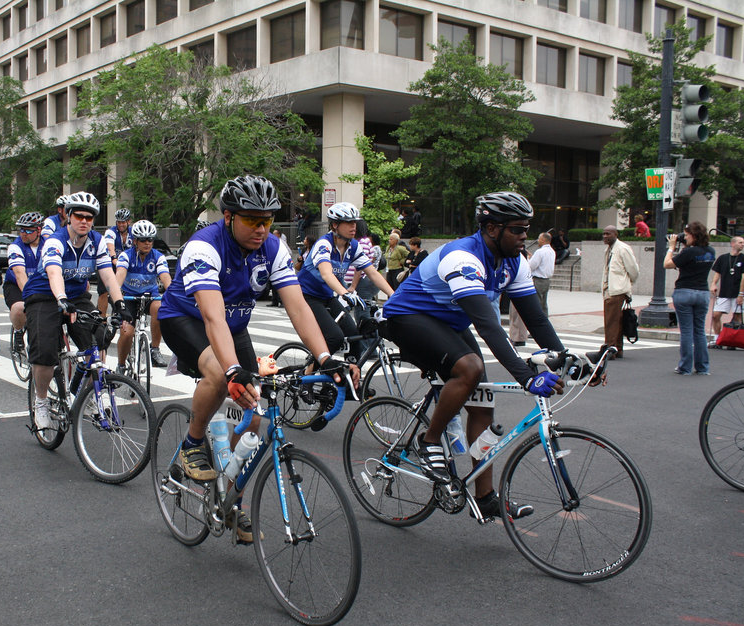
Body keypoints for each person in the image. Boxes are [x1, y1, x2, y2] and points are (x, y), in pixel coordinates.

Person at [158, 175, 353, 544]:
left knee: (253, 415)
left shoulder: (274, 248)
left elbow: (297, 304)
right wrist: (233, 371)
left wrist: (325, 357)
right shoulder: (204, 246)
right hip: (187, 318)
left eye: (268, 220)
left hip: (233, 324)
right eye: (252, 220)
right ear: (229, 216)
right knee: (220, 375)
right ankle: (192, 444)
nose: (262, 228)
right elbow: (212, 316)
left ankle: (231, 502)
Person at [381, 191, 569, 519]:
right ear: (492, 228)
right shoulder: (463, 258)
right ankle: (430, 440)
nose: (524, 236)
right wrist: (527, 376)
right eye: (517, 229)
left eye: (527, 228)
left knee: (483, 403)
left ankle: (484, 497)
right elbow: (489, 327)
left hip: (447, 322)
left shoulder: (515, 262)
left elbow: (536, 318)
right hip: (405, 318)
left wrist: (567, 359)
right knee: (470, 368)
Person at [25, 192, 131, 431]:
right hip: (44, 295)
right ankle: (41, 402)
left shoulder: (97, 241)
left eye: (90, 217)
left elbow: (107, 275)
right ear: (69, 216)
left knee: (99, 337)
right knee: (44, 351)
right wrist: (61, 299)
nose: (84, 221)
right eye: (79, 216)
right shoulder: (55, 241)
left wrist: (120, 304)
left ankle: (88, 391)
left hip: (75, 296)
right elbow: (53, 272)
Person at [298, 202, 394, 362]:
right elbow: (327, 274)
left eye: (354, 222)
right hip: (307, 296)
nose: (353, 226)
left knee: (355, 335)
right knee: (334, 337)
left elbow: (372, 273)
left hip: (327, 296)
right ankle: (309, 371)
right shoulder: (324, 244)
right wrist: (345, 293)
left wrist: (394, 295)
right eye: (349, 222)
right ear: (335, 225)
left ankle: (351, 380)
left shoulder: (353, 246)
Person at [115, 219, 172, 370]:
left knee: (160, 308)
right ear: (135, 241)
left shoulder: (158, 257)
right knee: (127, 332)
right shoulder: (125, 256)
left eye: (150, 239)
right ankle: (121, 364)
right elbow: (120, 275)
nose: (147, 243)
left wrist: (172, 293)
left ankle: (155, 349)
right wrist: (115, 293)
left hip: (149, 296)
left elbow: (165, 276)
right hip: (129, 297)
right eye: (143, 240)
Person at [665, 221, 715, 375]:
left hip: (684, 291)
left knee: (686, 331)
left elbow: (667, 264)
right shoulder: (710, 251)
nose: (684, 238)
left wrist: (672, 247)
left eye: (686, 235)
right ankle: (702, 367)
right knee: (699, 331)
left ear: (693, 235)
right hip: (702, 292)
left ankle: (685, 367)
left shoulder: (688, 253)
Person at [4, 211, 46, 355]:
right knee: (19, 308)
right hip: (16, 285)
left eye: (28, 230)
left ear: (39, 230)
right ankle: (18, 330)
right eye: (21, 230)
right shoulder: (16, 247)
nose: (23, 233)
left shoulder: (48, 244)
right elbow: (20, 274)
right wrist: (30, 296)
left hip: (40, 285)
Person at [600, 224, 640, 359]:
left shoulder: (623, 249)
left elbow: (633, 270)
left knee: (611, 322)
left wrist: (626, 285)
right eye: (604, 234)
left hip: (617, 290)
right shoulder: (609, 250)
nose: (605, 236)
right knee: (615, 321)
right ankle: (617, 348)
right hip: (610, 290)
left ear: (615, 234)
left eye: (608, 234)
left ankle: (610, 349)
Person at [708, 236, 744, 348]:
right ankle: (717, 339)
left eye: (743, 243)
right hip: (724, 292)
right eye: (740, 242)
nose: (743, 245)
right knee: (716, 315)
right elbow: (717, 273)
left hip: (738, 292)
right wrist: (713, 284)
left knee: (737, 316)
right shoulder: (723, 258)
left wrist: (741, 294)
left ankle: (733, 341)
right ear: (733, 244)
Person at [99, 208, 132, 315]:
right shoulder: (111, 232)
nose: (121, 224)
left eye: (123, 222)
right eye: (118, 222)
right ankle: (102, 319)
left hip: (125, 266)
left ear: (128, 222)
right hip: (109, 264)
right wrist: (114, 258)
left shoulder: (133, 232)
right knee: (103, 292)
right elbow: (110, 247)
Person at [508, 245, 531, 347]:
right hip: (518, 284)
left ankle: (518, 337)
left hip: (519, 285)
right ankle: (516, 336)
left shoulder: (519, 257)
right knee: (514, 313)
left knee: (517, 313)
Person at [528, 232, 555, 316]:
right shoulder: (552, 251)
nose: (538, 241)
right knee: (544, 303)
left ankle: (538, 320)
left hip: (538, 280)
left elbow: (531, 266)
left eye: (539, 239)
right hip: (547, 280)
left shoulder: (540, 252)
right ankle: (544, 319)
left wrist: (529, 259)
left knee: (537, 302)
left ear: (543, 240)